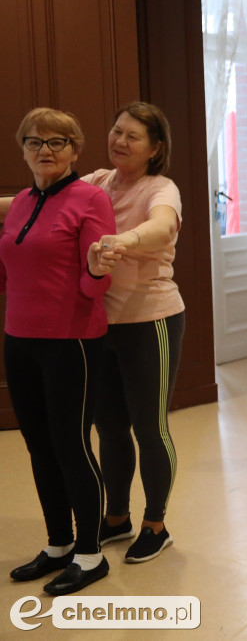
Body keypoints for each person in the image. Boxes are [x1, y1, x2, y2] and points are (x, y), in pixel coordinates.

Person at [3, 108, 118, 594]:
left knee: (71, 444)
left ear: (75, 149)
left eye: (57, 142)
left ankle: (90, 554)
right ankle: (58, 544)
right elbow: (9, 273)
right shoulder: (20, 202)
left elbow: (97, 284)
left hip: (72, 341)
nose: (45, 150)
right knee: (39, 445)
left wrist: (95, 269)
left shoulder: (90, 199)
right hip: (19, 338)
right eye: (35, 141)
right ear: (23, 149)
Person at [80, 102, 185, 564]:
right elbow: (38, 203)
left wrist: (123, 240)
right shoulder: (97, 182)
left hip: (151, 320)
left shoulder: (161, 188)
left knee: (150, 427)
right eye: (116, 130)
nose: (119, 141)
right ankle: (117, 517)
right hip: (101, 323)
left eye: (132, 136)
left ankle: (155, 525)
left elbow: (161, 228)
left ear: (154, 148)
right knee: (109, 427)